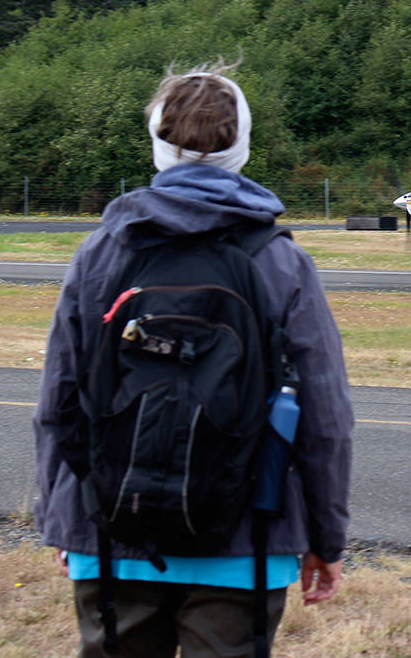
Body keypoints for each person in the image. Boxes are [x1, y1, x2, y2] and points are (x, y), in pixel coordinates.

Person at [33, 60, 353, 657]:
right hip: (248, 540)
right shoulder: (281, 261)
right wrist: (326, 537)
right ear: (241, 147)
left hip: (111, 531)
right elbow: (325, 417)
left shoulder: (102, 252)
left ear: (158, 144)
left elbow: (59, 399)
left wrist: (64, 517)